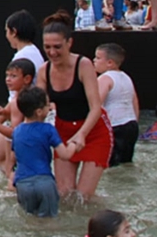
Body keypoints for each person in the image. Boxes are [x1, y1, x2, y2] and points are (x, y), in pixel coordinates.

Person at [35, 11, 112, 199]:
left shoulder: (83, 65)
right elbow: (38, 110)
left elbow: (95, 107)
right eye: (47, 47)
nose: (52, 52)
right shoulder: (44, 70)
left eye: (57, 47)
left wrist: (82, 134)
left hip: (93, 131)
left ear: (69, 43)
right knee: (65, 195)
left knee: (83, 197)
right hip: (63, 131)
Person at [11, 86, 79, 217]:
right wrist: (74, 144)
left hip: (22, 184)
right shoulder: (48, 129)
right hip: (44, 183)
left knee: (29, 220)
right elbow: (65, 155)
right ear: (39, 111)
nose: (51, 108)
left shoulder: (16, 131)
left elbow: (15, 157)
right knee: (48, 223)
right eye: (48, 105)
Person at [0, 58, 38, 181]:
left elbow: (15, 134)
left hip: (20, 146)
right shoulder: (24, 97)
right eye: (7, 75)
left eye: (13, 76)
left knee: (11, 176)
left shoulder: (19, 101)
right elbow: (17, 114)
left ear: (27, 79)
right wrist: (4, 112)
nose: (8, 79)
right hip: (28, 144)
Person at [94, 43, 138, 167]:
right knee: (126, 162)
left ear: (110, 63)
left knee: (110, 164)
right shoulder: (127, 77)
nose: (94, 61)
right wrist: (135, 121)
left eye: (97, 58)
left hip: (114, 126)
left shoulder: (104, 78)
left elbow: (97, 104)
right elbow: (134, 102)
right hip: (131, 125)